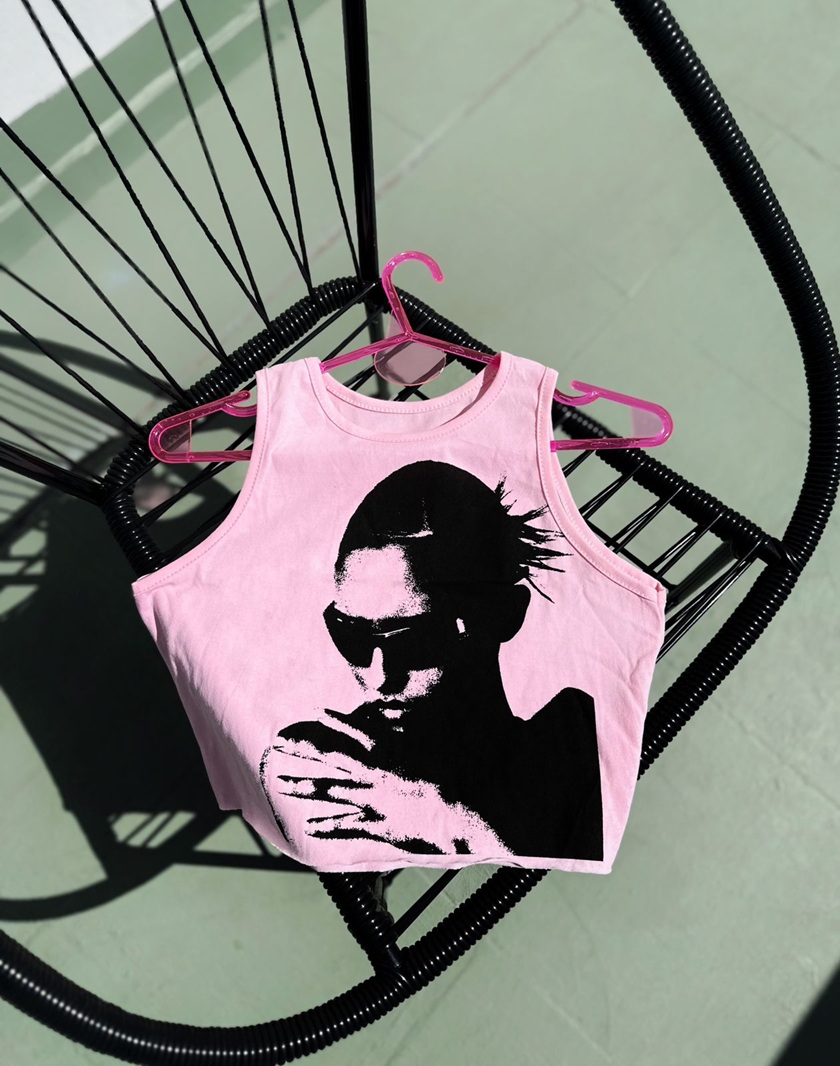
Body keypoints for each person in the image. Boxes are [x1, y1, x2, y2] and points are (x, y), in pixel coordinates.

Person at [261, 460, 603, 861]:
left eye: (414, 640)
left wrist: (453, 826)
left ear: (504, 615)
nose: (379, 677)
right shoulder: (327, 762)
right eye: (350, 636)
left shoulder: (572, 747)